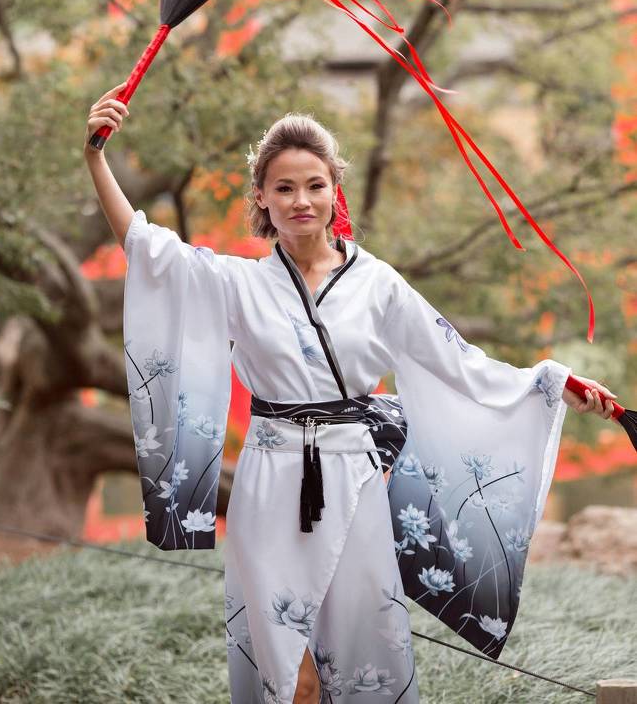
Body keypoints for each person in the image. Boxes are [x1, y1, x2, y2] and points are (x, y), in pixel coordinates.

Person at [84, 83, 617, 704]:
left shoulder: (378, 284)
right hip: (269, 476)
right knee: (274, 656)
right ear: (261, 198)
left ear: (334, 190)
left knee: (370, 646)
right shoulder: (237, 284)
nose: (301, 200)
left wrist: (552, 383)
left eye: (314, 185)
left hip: (354, 477)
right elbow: (148, 249)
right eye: (284, 188)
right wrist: (96, 156)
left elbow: (460, 364)